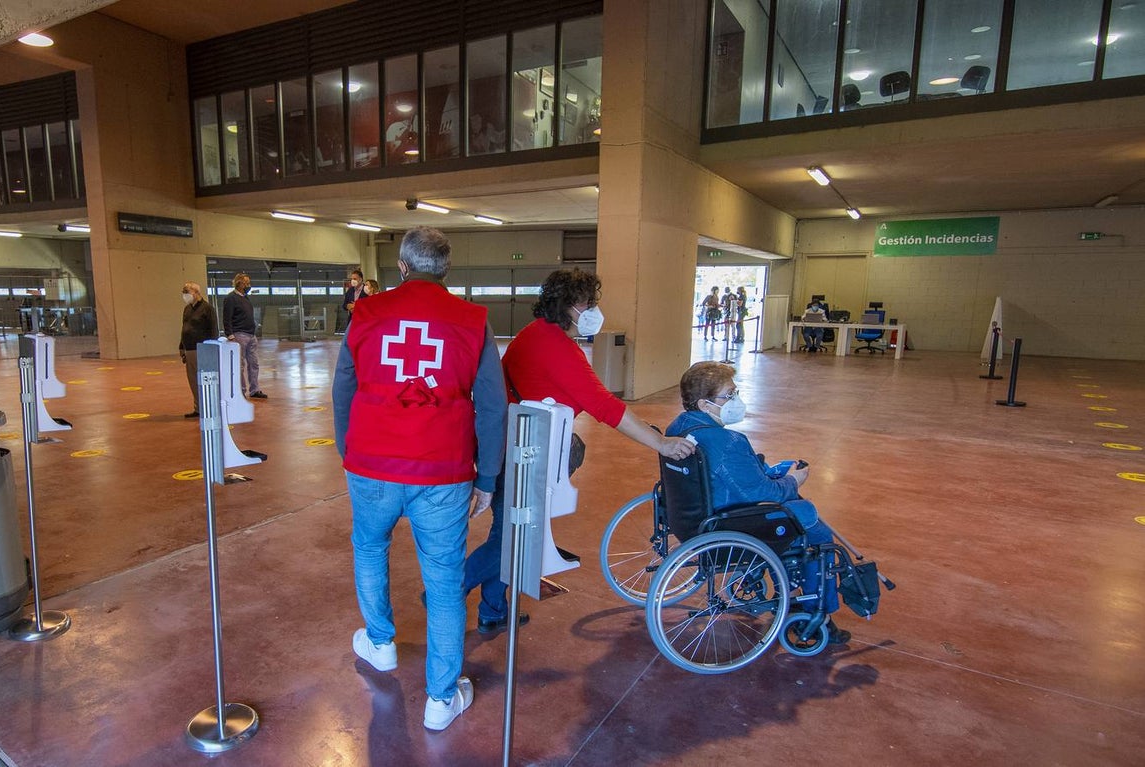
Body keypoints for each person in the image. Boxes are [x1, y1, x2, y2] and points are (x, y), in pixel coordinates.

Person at [332, 226, 507, 732]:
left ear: (402, 267)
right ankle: (440, 697)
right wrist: (488, 478)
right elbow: (491, 405)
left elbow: (345, 384)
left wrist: (351, 450)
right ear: (445, 270)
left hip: (371, 465)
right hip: (444, 472)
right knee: (445, 580)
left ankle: (381, 644)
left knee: (369, 548)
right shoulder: (473, 321)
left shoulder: (365, 313)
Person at [464, 268, 695, 633]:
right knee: (514, 536)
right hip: (524, 452)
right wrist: (660, 443)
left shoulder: (537, 334)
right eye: (588, 303)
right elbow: (605, 406)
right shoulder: (553, 345)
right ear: (570, 307)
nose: (593, 310)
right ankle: (447, 592)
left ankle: (493, 609)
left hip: (515, 445)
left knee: (508, 532)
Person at [665, 361, 849, 644]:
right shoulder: (727, 442)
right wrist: (793, 481)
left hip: (692, 516)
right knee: (816, 530)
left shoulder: (678, 428)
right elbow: (765, 495)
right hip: (732, 521)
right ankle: (817, 612)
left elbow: (733, 476)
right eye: (730, 395)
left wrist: (770, 470)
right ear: (704, 404)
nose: (736, 400)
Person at [222, 273, 267, 399]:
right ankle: (240, 391)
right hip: (239, 334)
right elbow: (227, 318)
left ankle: (254, 389)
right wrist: (230, 335)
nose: (248, 285)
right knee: (240, 365)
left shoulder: (246, 298)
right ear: (239, 283)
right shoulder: (231, 298)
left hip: (251, 335)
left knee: (254, 363)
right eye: (246, 283)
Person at [179, 281, 219, 418]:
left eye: (187, 292)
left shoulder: (207, 309)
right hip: (189, 349)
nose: (185, 296)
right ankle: (198, 408)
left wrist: (211, 349)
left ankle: (209, 407)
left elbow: (214, 330)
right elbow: (184, 328)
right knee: (193, 380)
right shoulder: (187, 309)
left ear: (196, 293)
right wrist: (181, 347)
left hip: (202, 349)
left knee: (205, 380)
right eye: (183, 293)